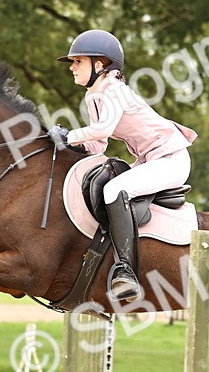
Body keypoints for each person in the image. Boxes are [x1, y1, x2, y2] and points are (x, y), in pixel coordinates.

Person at [52, 30, 198, 303]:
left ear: (100, 64)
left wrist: (70, 136)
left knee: (113, 190)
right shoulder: (94, 95)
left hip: (171, 160)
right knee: (104, 183)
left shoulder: (114, 90)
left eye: (78, 61)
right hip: (151, 160)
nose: (72, 67)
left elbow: (103, 128)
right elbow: (98, 145)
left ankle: (126, 271)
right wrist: (61, 146)